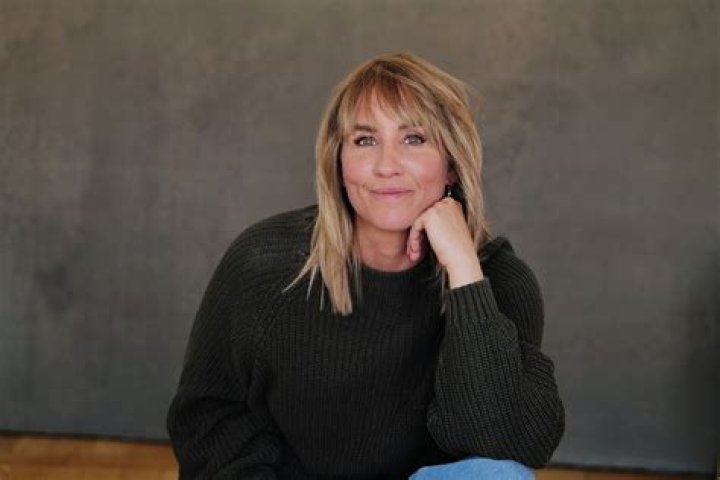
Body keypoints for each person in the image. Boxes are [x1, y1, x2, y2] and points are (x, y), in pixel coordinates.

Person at [166, 52, 565, 479]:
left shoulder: (499, 281)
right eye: (365, 140)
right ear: (338, 162)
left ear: (451, 165)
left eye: (414, 138)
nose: (386, 166)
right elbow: (209, 421)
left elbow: (504, 443)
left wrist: (465, 273)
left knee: (499, 476)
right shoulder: (266, 264)